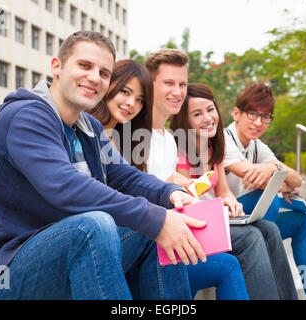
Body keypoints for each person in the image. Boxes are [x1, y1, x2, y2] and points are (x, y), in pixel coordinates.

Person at [0, 31, 207, 300]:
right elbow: (65, 186)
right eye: (84, 66)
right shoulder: (26, 116)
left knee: (153, 226)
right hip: (0, 273)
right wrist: (155, 219)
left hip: (55, 250)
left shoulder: (89, 127)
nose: (94, 77)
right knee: (94, 227)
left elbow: (123, 176)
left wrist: (169, 194)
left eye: (103, 73)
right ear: (57, 67)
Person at [145, 49, 298, 300]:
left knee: (269, 229)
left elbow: (223, 190)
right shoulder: (174, 143)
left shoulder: (203, 145)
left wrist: (227, 200)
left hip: (205, 218)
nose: (207, 118)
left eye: (210, 110)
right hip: (183, 226)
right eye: (197, 114)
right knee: (251, 237)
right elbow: (183, 198)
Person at [90, 59, 248, 300]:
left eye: (139, 98)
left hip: (136, 232)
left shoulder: (115, 134)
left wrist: (175, 189)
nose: (132, 103)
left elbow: (133, 179)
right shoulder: (105, 133)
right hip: (104, 235)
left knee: (246, 240)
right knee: (158, 228)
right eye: (125, 91)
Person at [223, 82, 306, 300]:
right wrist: (275, 175)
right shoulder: (223, 139)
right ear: (236, 113)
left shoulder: (256, 146)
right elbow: (261, 179)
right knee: (269, 199)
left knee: (301, 222)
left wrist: (272, 168)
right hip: (224, 220)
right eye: (252, 114)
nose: (258, 122)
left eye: (265, 117)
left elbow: (295, 181)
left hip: (246, 215)